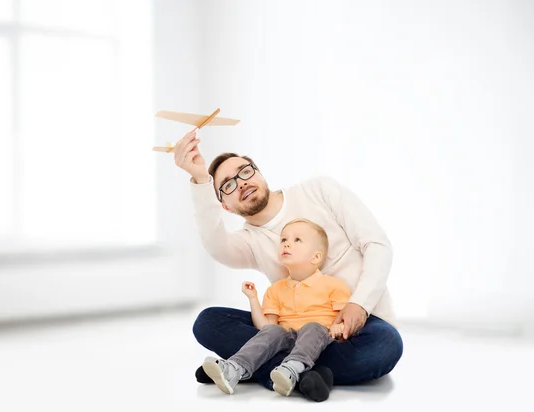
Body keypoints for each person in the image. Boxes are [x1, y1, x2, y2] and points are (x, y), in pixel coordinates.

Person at [173, 130, 403, 402]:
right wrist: (201, 180)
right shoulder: (248, 242)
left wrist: (360, 304)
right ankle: (302, 374)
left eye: (245, 172)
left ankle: (250, 367)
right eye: (228, 185)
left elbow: (377, 245)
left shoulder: (319, 190)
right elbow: (216, 245)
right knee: (208, 322)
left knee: (385, 346)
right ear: (225, 206)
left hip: (357, 324)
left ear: (258, 172)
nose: (241, 184)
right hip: (291, 332)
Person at [202, 218, 351, 400]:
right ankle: (234, 369)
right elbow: (266, 328)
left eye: (297, 240)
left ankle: (291, 369)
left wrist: (339, 327)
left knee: (313, 327)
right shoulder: (276, 289)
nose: (287, 244)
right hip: (288, 340)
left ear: (316, 257)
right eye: (283, 240)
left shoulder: (333, 285)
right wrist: (253, 299)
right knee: (275, 331)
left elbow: (346, 318)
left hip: (321, 339)